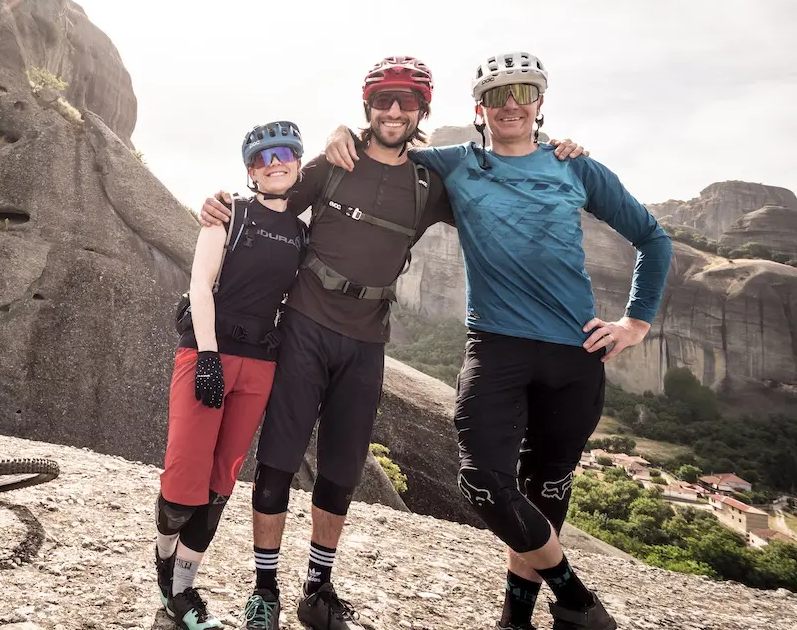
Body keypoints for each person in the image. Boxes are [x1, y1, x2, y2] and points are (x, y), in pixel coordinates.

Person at [198, 57, 586, 630]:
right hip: (305, 326)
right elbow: (270, 195)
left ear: (422, 110)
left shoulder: (430, 183)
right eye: (384, 100)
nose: (395, 110)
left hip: (366, 339)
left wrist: (554, 149)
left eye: (407, 101)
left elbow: (500, 188)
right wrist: (220, 207)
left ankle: (318, 591)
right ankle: (264, 592)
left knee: (340, 471)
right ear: (368, 108)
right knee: (278, 463)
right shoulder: (334, 163)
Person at [324, 52, 671, 630]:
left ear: (539, 104)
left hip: (576, 352)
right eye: (497, 95)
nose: (511, 105)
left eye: (523, 93)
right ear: (479, 108)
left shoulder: (578, 169)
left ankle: (517, 618)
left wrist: (636, 322)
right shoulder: (455, 163)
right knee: (483, 481)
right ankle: (578, 598)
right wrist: (343, 131)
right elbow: (388, 142)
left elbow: (653, 240)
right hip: (497, 346)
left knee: (548, 486)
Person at [154, 120, 308, 630]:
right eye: (264, 158)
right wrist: (210, 356)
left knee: (221, 482)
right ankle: (163, 557)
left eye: (285, 153)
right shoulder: (229, 215)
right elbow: (200, 285)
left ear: (299, 163)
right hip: (207, 353)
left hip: (261, 365)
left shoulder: (302, 233)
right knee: (183, 480)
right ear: (251, 171)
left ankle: (183, 591)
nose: (276, 162)